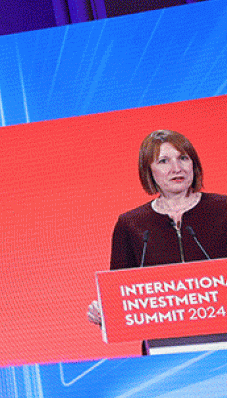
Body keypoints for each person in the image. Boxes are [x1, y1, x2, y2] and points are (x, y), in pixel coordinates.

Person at [88, 129, 227, 332]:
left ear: (194, 164)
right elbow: (122, 299)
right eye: (163, 161)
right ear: (149, 170)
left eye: (183, 158)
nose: (176, 168)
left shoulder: (223, 209)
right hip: (164, 348)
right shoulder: (131, 224)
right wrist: (105, 314)